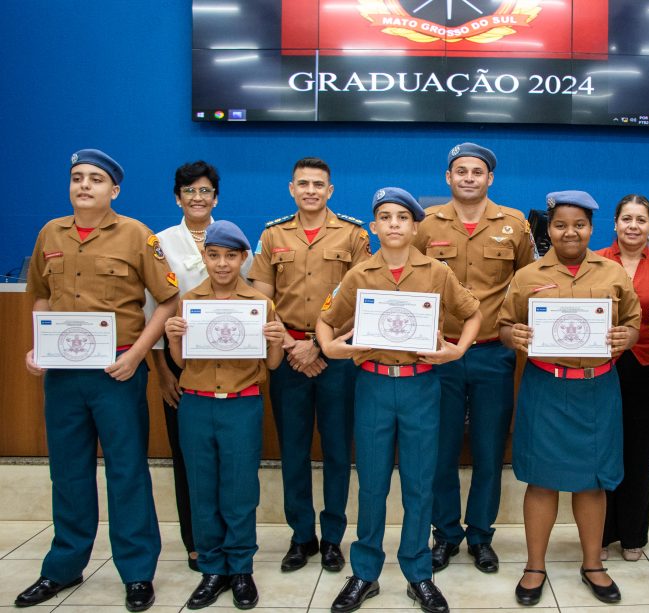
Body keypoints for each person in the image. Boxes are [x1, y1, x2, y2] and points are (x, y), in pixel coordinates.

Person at [18, 149, 179, 611]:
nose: (84, 185)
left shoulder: (136, 236)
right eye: (76, 178)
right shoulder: (51, 233)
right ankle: (63, 567)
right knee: (67, 472)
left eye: (95, 179)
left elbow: (167, 301)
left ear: (114, 190)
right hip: (64, 376)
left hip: (116, 372)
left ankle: (136, 573)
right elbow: (42, 297)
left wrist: (136, 355)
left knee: (126, 472)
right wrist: (38, 346)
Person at [317, 187, 482, 613]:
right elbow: (325, 319)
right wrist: (332, 347)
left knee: (418, 481)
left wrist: (458, 350)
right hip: (372, 385)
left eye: (402, 218)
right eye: (385, 217)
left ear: (415, 226)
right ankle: (365, 573)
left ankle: (417, 572)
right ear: (373, 226)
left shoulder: (437, 272)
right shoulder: (358, 275)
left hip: (421, 386)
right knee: (371, 482)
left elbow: (473, 312)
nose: (394, 224)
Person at [498, 190, 640, 606]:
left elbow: (633, 323)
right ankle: (535, 566)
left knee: (592, 483)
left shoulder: (612, 273)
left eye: (579, 224)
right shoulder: (527, 275)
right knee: (541, 480)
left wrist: (626, 336)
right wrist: (515, 336)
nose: (570, 232)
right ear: (549, 229)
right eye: (560, 224)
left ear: (591, 229)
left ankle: (593, 563)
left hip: (597, 389)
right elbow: (505, 326)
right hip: (545, 387)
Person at [414, 142, 534, 573]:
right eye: (460, 171)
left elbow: (528, 281)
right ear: (448, 178)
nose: (468, 178)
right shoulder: (425, 225)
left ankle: (481, 536)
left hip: (492, 355)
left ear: (490, 179)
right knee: (441, 450)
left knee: (488, 451)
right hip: (439, 353)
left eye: (476, 172)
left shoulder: (515, 226)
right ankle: (445, 534)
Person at [248, 157, 370, 574]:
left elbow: (360, 301)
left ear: (330, 190)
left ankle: (334, 538)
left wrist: (319, 346)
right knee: (294, 451)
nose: (311, 190)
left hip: (335, 356)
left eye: (319, 184)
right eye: (303, 183)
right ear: (291, 188)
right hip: (286, 358)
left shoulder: (354, 234)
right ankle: (302, 536)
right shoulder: (273, 234)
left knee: (338, 450)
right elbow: (261, 299)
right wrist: (292, 345)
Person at [165, 220, 284, 610]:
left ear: (243, 258)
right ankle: (212, 567)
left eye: (230, 256)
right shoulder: (189, 301)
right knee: (202, 487)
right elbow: (181, 361)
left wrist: (276, 340)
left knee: (239, 489)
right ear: (204, 256)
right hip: (196, 403)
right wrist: (173, 336)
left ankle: (241, 566)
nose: (221, 264)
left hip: (241, 402)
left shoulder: (259, 304)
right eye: (214, 255)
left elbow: (273, 363)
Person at [145, 160, 252, 572]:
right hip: (182, 368)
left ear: (216, 197)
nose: (197, 198)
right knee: (190, 460)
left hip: (233, 371)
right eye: (189, 191)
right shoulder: (161, 241)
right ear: (178, 197)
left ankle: (233, 544)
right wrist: (163, 372)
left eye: (205, 191)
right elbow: (154, 308)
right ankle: (197, 542)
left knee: (233, 466)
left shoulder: (232, 237)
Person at [596, 194, 649, 562]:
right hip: (603, 368)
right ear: (614, 223)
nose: (633, 226)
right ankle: (601, 532)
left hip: (648, 367)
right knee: (602, 450)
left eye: (641, 220)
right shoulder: (595, 261)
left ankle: (632, 535)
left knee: (639, 453)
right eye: (626, 218)